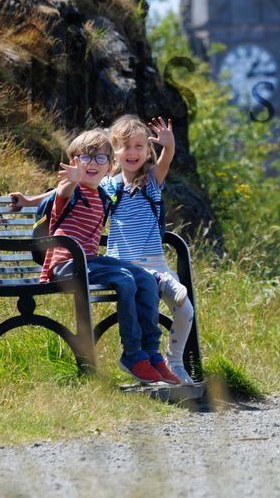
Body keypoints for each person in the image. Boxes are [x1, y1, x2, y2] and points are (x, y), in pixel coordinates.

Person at [32, 129, 179, 386]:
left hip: (90, 261)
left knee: (145, 279)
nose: (92, 164)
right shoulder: (72, 190)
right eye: (84, 158)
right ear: (73, 162)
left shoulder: (103, 195)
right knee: (124, 279)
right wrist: (71, 180)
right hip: (66, 265)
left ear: (110, 166)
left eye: (100, 159)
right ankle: (132, 355)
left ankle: (151, 353)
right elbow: (62, 192)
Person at [103, 114, 197, 384]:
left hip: (155, 260)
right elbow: (69, 191)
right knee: (157, 289)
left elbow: (166, 160)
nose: (132, 153)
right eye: (125, 147)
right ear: (114, 151)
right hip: (126, 265)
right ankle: (164, 283)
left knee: (185, 310)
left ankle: (175, 361)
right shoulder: (108, 187)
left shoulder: (151, 180)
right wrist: (30, 200)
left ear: (147, 152)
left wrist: (169, 145)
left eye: (139, 146)